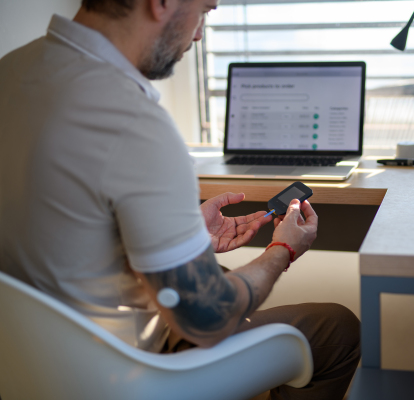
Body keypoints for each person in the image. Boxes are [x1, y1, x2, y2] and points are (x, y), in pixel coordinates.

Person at [0, 0, 360, 399]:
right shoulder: (134, 121)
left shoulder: (11, 71)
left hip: (20, 359)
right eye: (204, 10)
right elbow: (207, 318)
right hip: (117, 374)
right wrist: (281, 250)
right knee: (338, 328)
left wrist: (178, 232)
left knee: (215, 268)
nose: (201, 32)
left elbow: (58, 233)